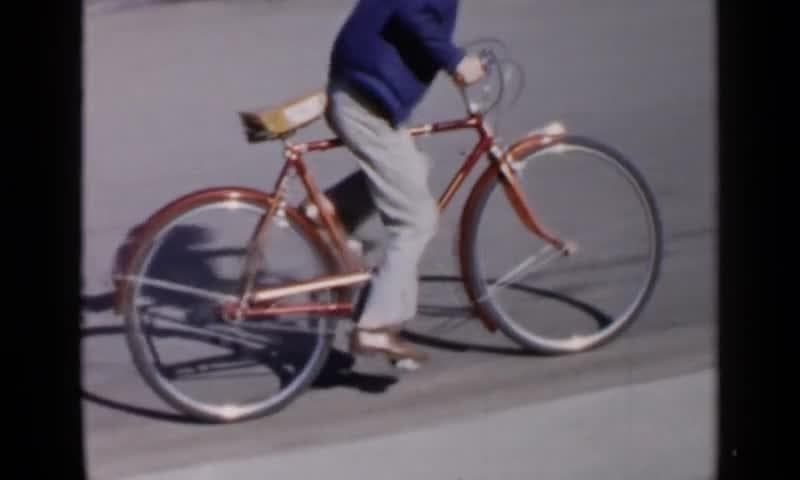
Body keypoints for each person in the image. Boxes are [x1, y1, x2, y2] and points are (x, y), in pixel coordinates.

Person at [305, 0, 486, 366]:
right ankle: (377, 326)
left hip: (360, 92)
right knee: (416, 220)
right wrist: (454, 60)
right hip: (365, 101)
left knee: (414, 168)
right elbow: (410, 12)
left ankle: (331, 210)